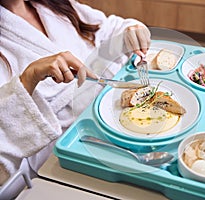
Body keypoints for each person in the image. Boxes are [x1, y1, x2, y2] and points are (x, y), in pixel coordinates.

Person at [0, 0, 150, 196]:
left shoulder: (53, 4)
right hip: (61, 158)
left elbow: (106, 29)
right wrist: (29, 78)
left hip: (110, 119)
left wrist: (131, 31)